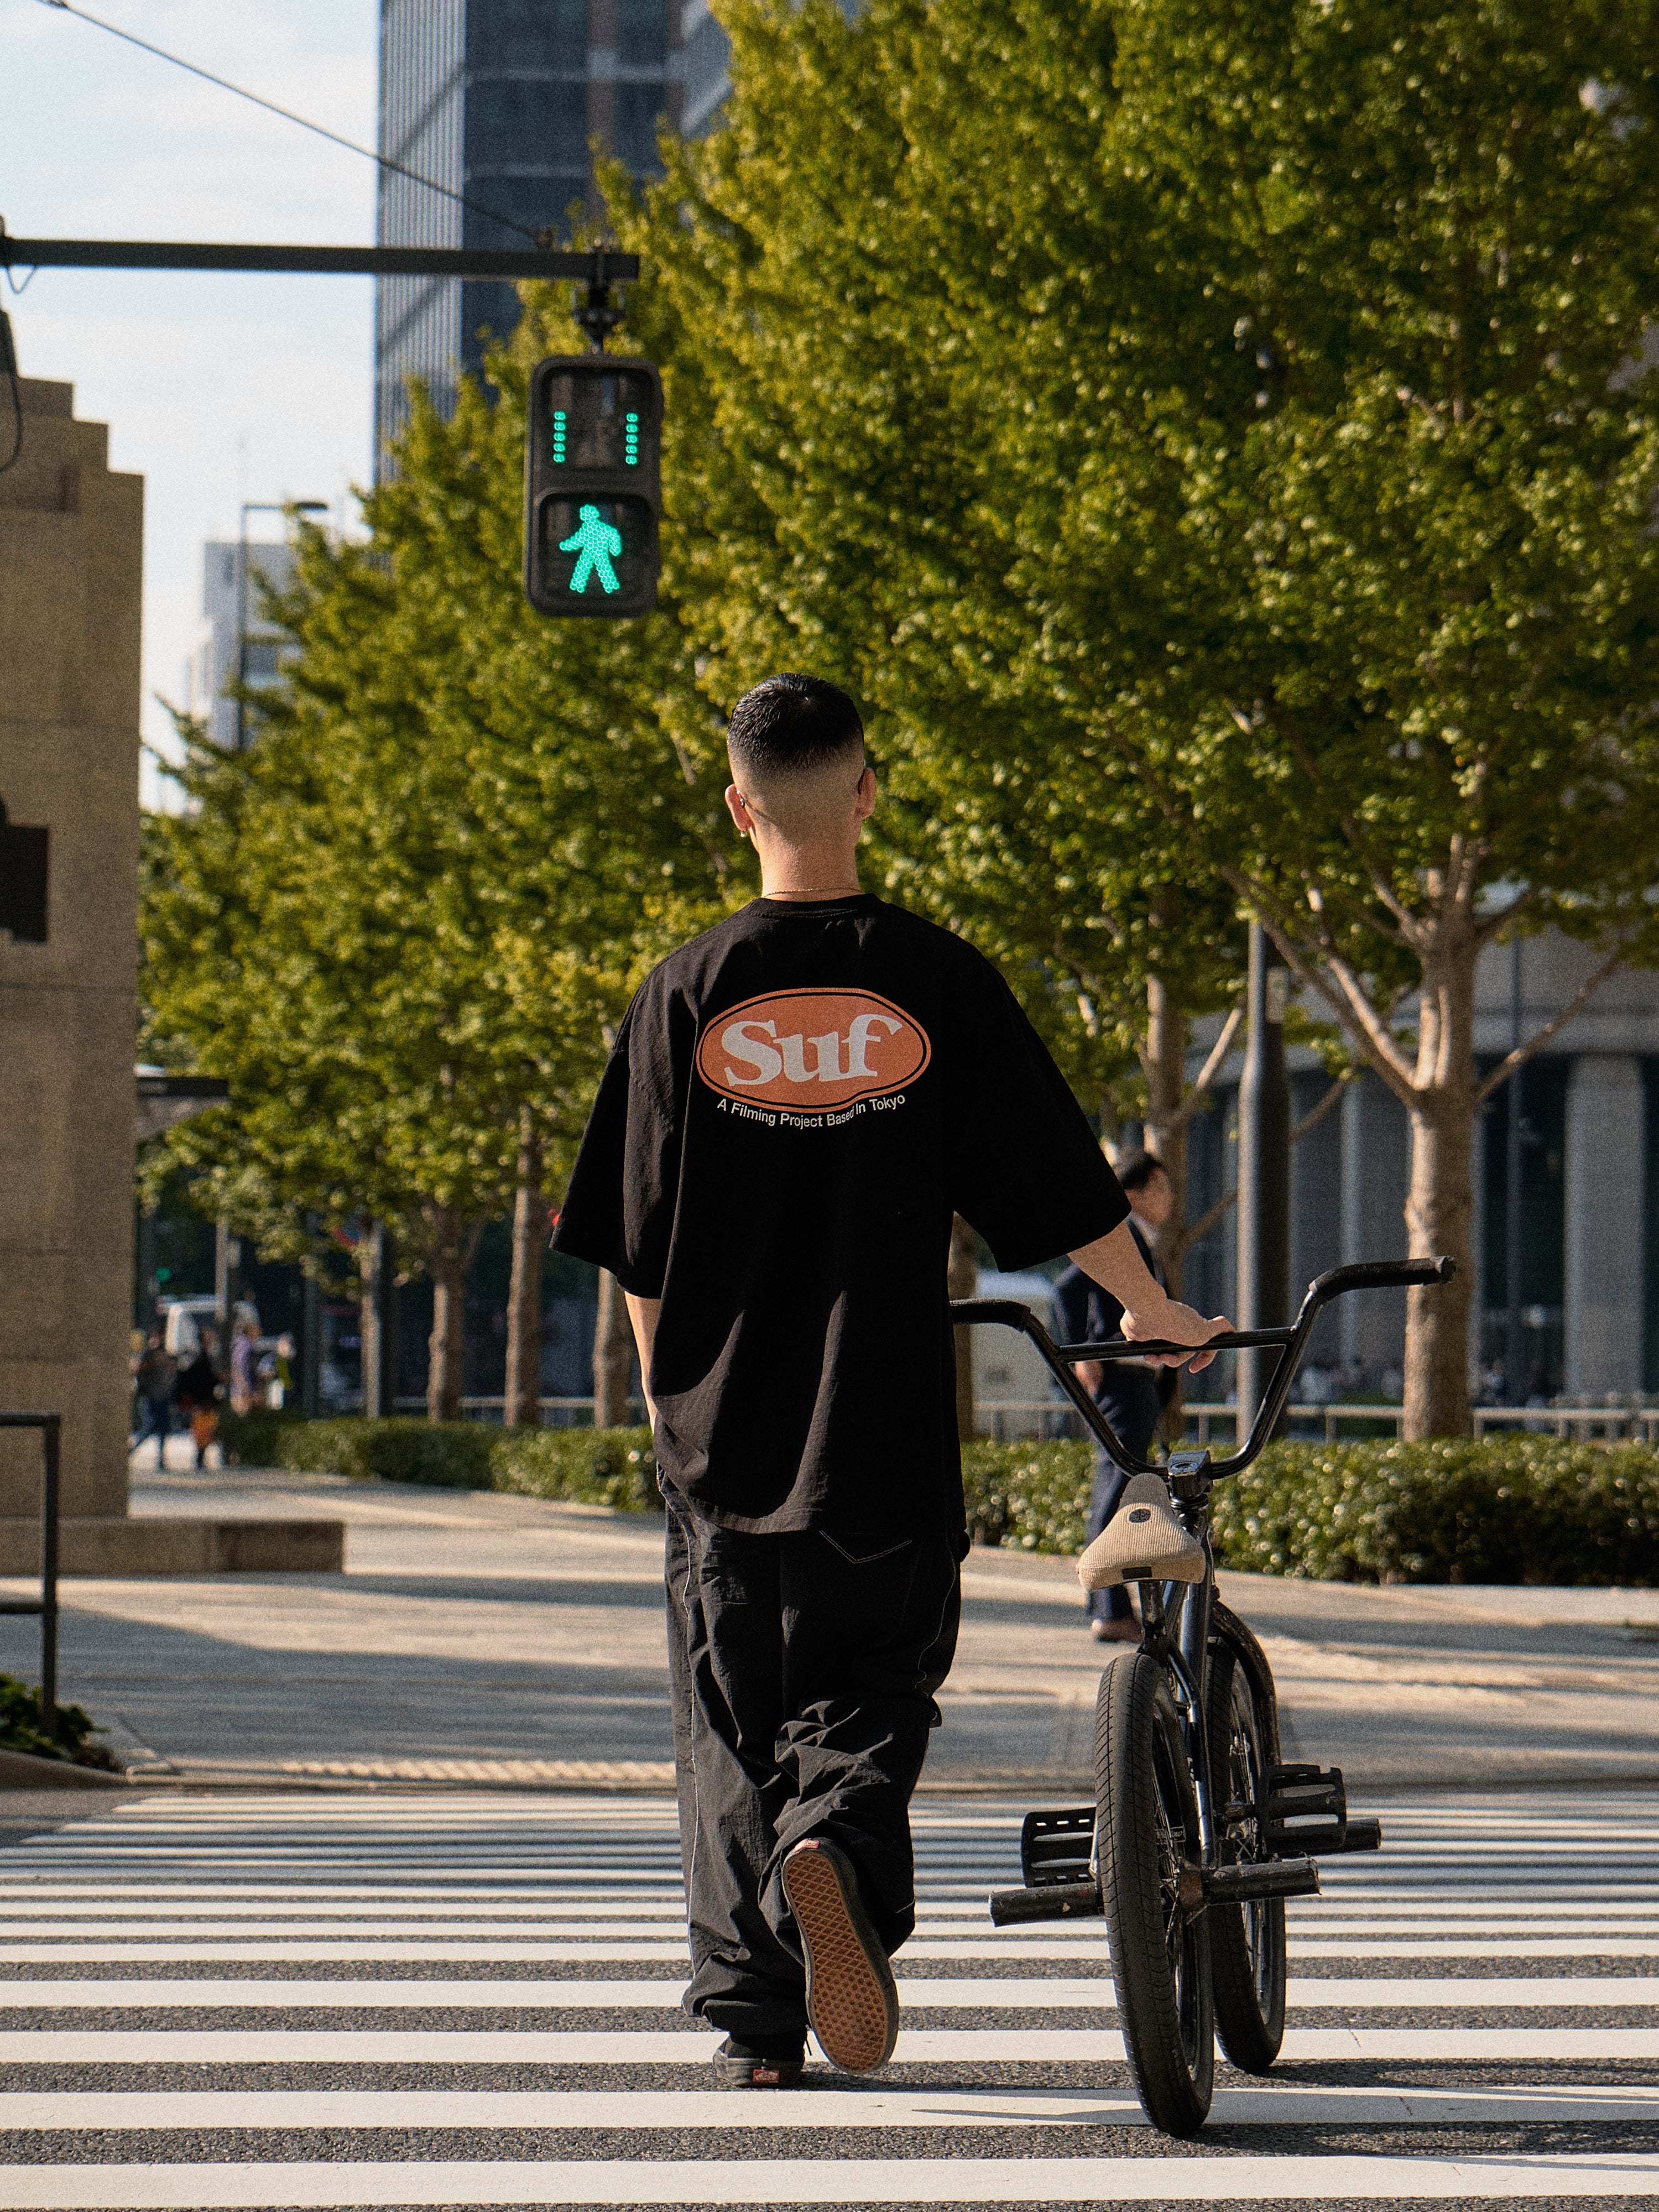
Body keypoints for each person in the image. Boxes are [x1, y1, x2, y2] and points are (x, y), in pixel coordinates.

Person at [552, 673, 1228, 2091]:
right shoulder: (933, 978)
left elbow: (634, 1241)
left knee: (729, 1714)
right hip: (878, 1418)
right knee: (868, 1689)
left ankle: (752, 2021)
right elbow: (1055, 1188)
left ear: (737, 804)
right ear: (867, 789)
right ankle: (836, 1847)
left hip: (719, 1428)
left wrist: (659, 1398)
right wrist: (1153, 1303)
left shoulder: (680, 992)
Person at [1053, 1151, 1180, 1644]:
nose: (1170, 1200)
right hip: (1123, 1381)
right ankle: (1109, 1609)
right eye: (1162, 1188)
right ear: (1135, 1193)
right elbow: (1066, 1289)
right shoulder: (1122, 1237)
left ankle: (1104, 1604)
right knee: (1118, 1489)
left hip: (1133, 1382)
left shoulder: (1138, 1239)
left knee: (1116, 1486)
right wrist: (1084, 1353)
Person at [175, 1332, 222, 1470]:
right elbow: (200, 1378)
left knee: (205, 1429)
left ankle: (201, 1456)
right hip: (202, 1399)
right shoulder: (200, 1359)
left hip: (204, 1398)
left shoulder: (204, 1357)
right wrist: (217, 1379)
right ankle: (200, 1457)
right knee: (203, 1429)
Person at [133, 1333, 176, 1466]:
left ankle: (161, 1458)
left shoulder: (165, 1353)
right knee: (149, 1427)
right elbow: (138, 1370)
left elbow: (170, 1372)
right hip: (151, 1396)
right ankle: (131, 1450)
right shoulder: (149, 1354)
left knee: (163, 1428)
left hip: (163, 1396)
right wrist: (154, 1363)